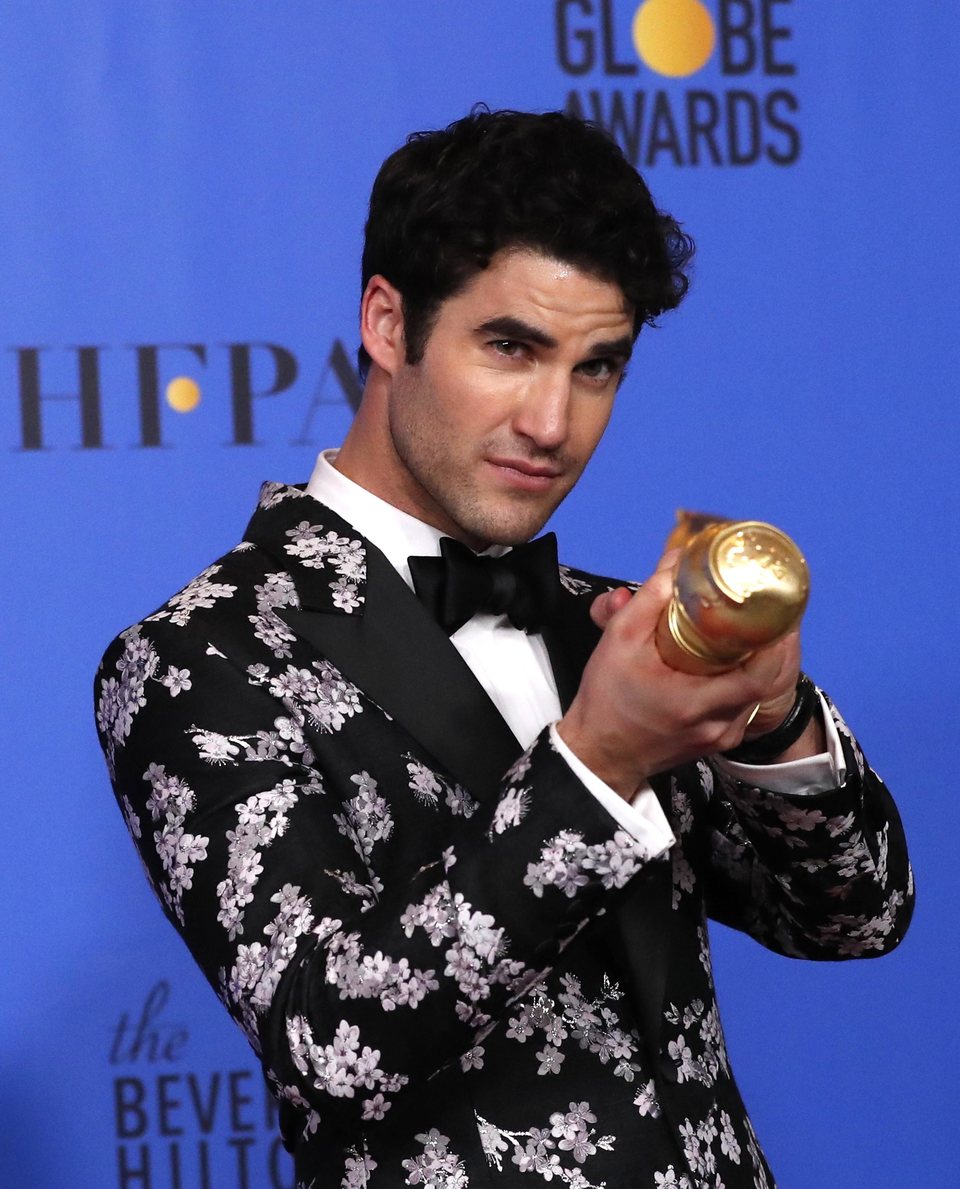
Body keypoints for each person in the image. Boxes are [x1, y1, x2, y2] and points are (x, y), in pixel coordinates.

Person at [94, 109, 912, 1188]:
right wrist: (600, 763)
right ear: (388, 324)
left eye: (598, 366)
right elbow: (327, 1041)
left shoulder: (606, 622)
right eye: (512, 347)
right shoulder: (199, 656)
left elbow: (853, 916)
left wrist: (774, 717)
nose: (552, 422)